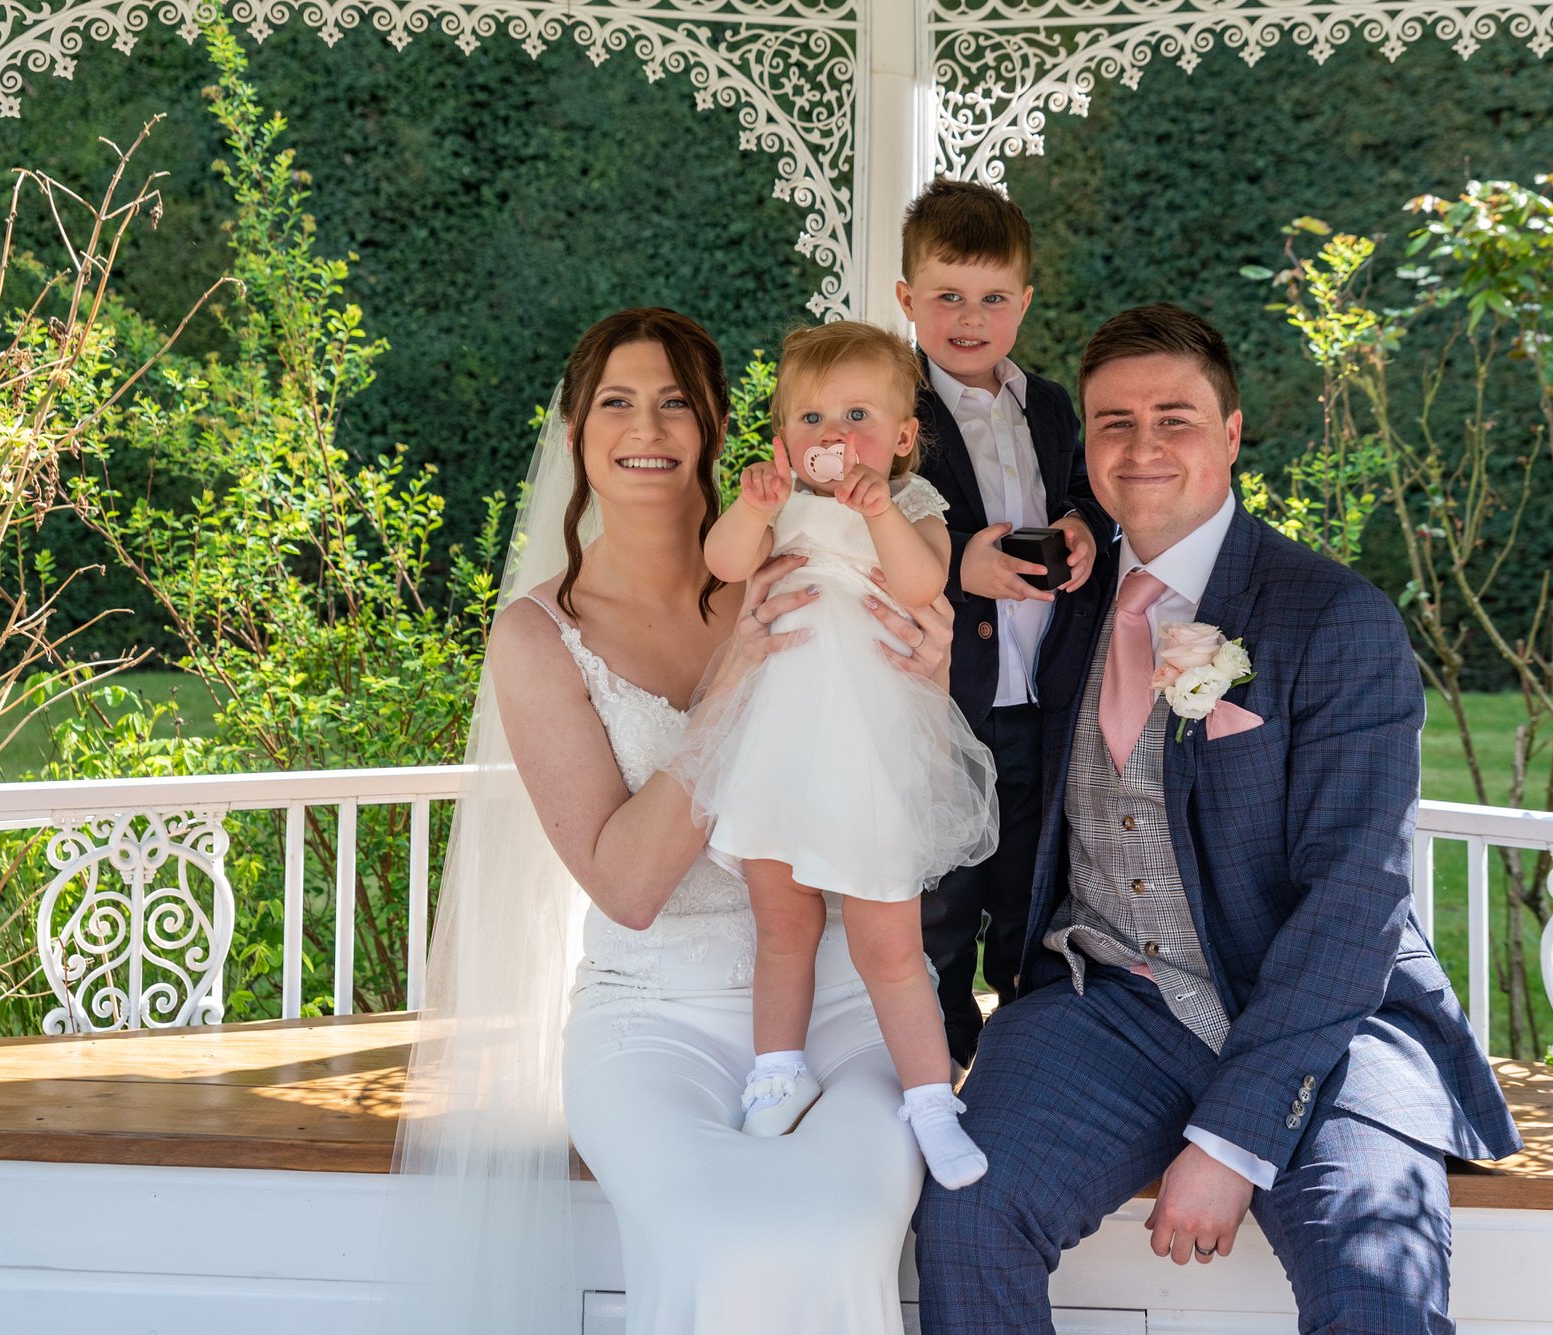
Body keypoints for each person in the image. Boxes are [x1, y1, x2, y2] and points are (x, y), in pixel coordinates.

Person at [913, 304, 1523, 1334]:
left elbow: (1355, 896)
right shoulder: (1057, 599)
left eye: (1174, 418)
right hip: (1102, 1004)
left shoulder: (1331, 616)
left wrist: (1235, 1138)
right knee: (968, 1212)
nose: (1140, 447)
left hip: (1326, 1021)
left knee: (1374, 1282)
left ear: (1231, 433)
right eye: (1111, 423)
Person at [377, 308, 956, 1335]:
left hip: (836, 1001)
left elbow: (892, 719)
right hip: (655, 1015)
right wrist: (733, 681)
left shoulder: (799, 561)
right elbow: (628, 889)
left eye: (674, 402)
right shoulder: (536, 635)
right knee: (721, 1236)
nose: (646, 425)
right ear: (573, 434)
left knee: (832, 1228)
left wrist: (924, 663)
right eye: (615, 402)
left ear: (719, 432)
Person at [671, 321, 996, 1187]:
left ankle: (932, 1098)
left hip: (867, 753)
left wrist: (881, 508)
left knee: (887, 942)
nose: (834, 436)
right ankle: (777, 1067)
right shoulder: (783, 508)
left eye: (858, 414)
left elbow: (924, 583)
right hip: (779, 743)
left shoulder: (915, 505)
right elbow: (723, 559)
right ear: (782, 438)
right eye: (811, 417)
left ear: (901, 440)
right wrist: (753, 504)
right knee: (782, 924)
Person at [897, 179, 1112, 1067]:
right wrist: (957, 563)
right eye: (947, 296)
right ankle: (933, 1065)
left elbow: (1089, 495)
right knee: (940, 900)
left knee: (1031, 895)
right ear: (908, 300)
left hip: (1041, 701)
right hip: (942, 709)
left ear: (1023, 302)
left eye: (992, 298)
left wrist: (1083, 531)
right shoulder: (894, 407)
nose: (970, 319)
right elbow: (852, 516)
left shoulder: (1051, 406)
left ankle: (1022, 1066)